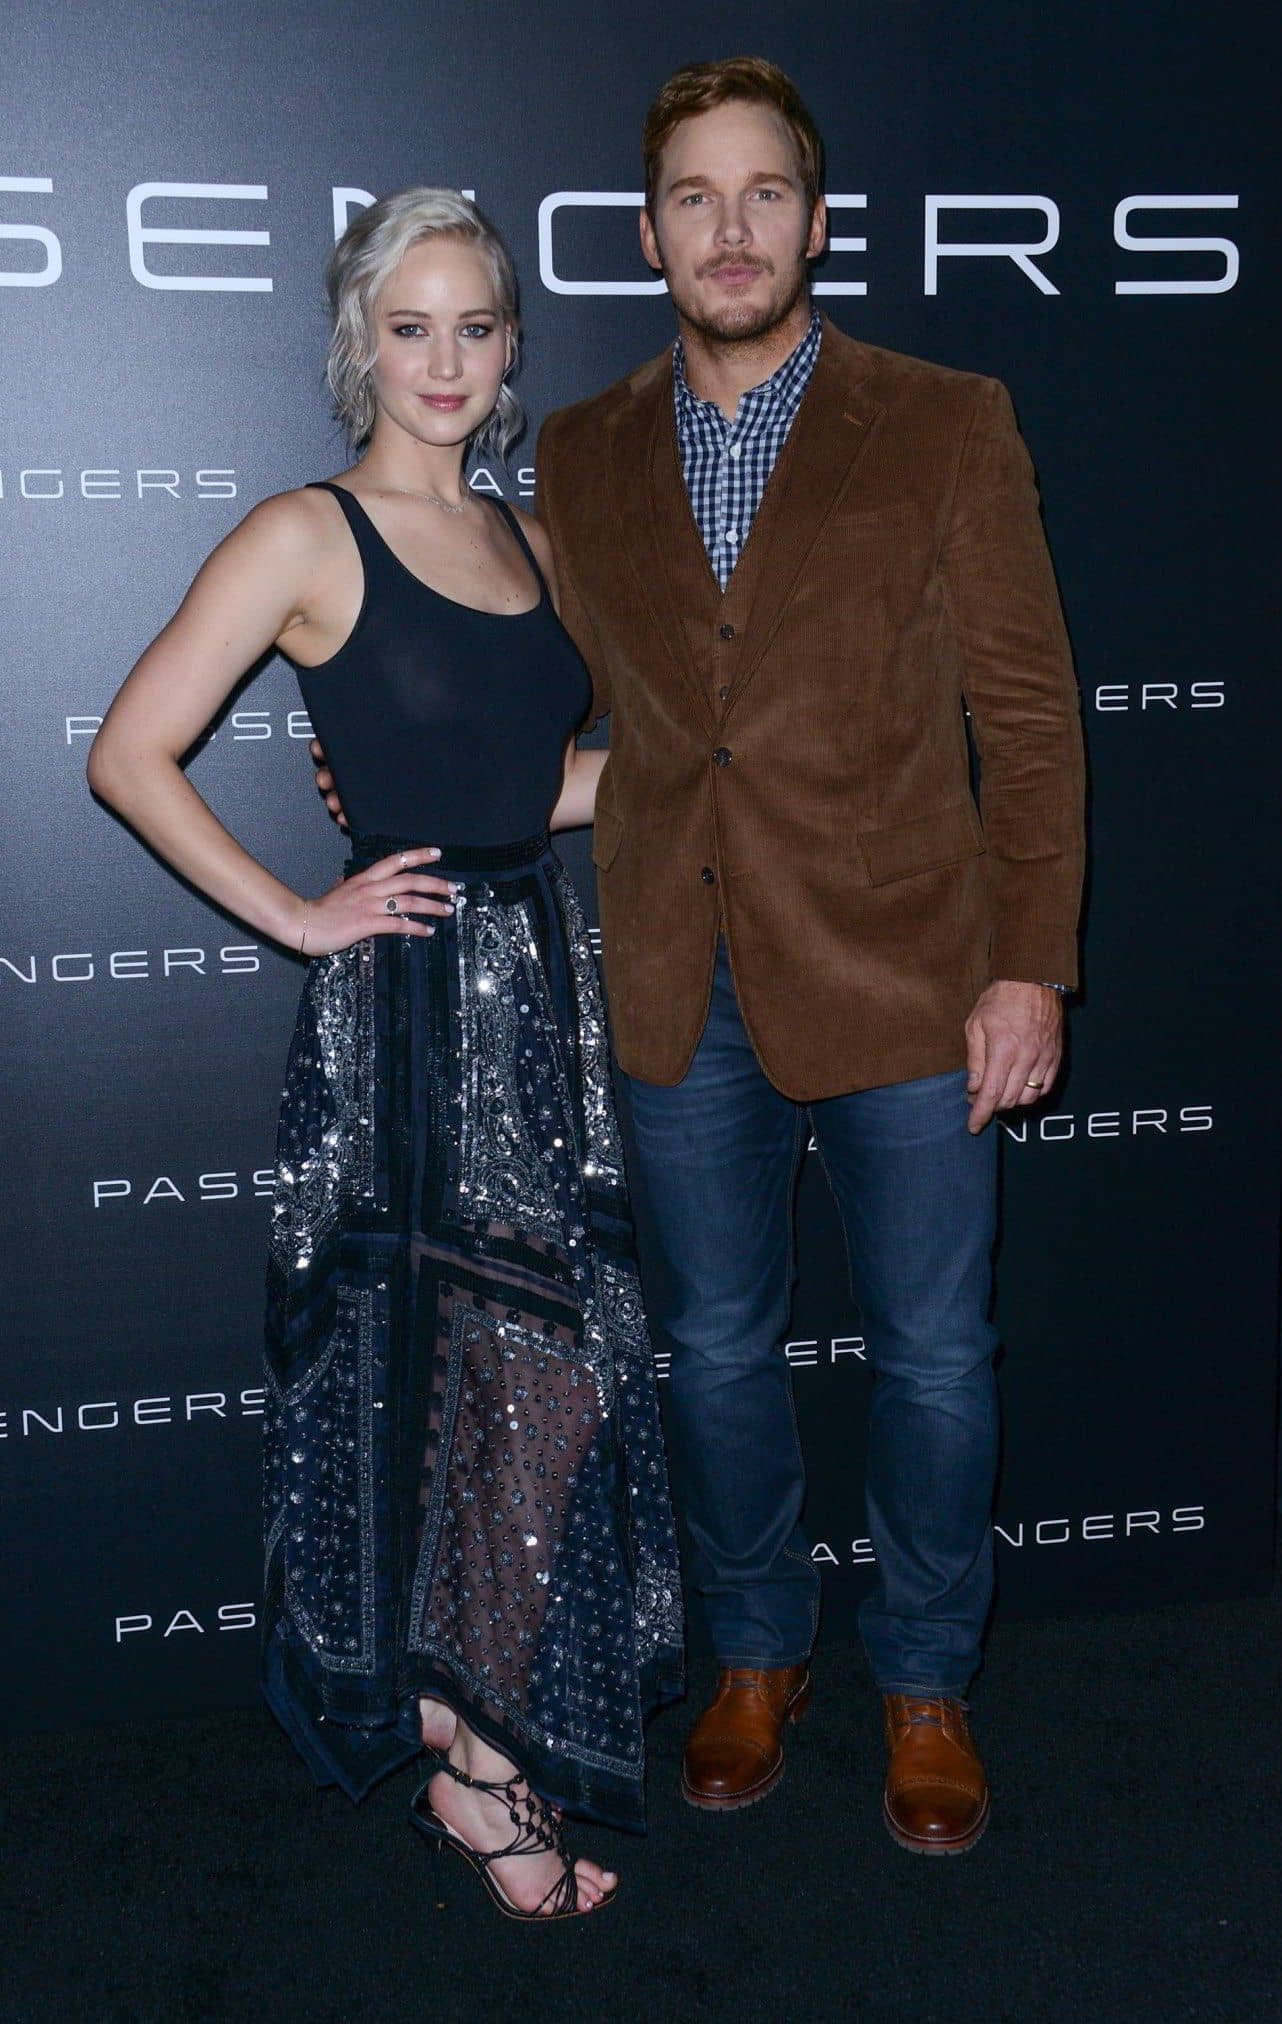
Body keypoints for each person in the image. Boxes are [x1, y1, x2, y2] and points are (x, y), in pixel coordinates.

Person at [314, 60, 1086, 1856]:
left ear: (811, 222)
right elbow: (553, 698)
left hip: (912, 973)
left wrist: (1026, 966)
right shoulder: (582, 452)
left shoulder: (943, 419)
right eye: (692, 197)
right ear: (649, 232)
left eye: (761, 194)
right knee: (715, 1354)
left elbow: (1031, 719)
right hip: (676, 978)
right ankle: (757, 1651)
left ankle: (923, 1678)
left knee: (934, 1360)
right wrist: (405, 764)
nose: (728, 230)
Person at [87, 188, 683, 1920]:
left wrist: (706, 772)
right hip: (407, 1015)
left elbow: (540, 782)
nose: (443, 360)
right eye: (410, 326)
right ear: (361, 340)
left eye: (474, 326)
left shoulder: (534, 539)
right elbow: (129, 753)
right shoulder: (303, 533)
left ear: (510, 347)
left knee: (548, 1379)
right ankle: (477, 1772)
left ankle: (464, 1725)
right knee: (441, 1373)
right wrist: (297, 913)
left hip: (541, 995)